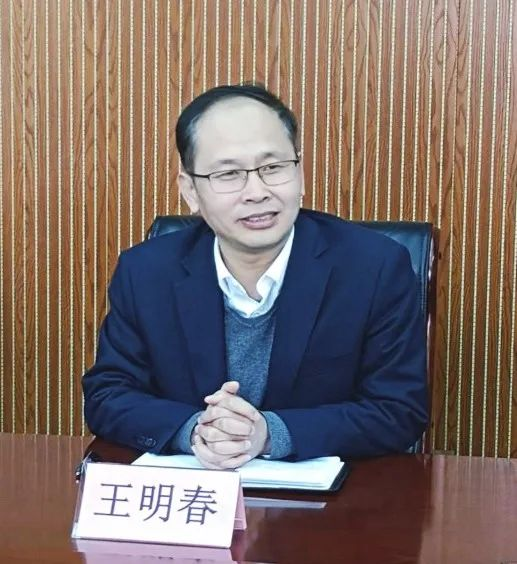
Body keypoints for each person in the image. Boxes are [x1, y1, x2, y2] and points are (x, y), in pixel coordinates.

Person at [82, 83, 427, 469]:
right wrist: (196, 431)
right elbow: (108, 395)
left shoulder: (374, 267)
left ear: (299, 172)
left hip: (325, 501)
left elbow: (399, 410)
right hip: (194, 494)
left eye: (273, 168)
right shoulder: (146, 272)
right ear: (191, 190)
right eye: (229, 174)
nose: (256, 192)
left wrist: (269, 433)